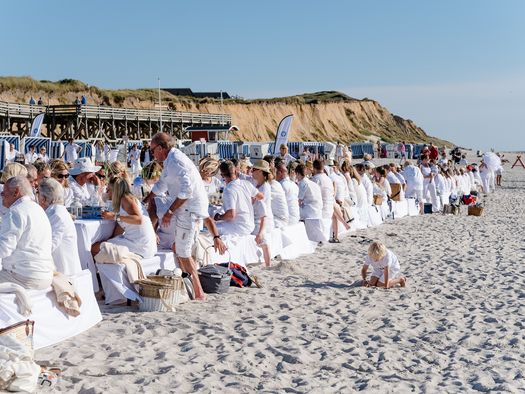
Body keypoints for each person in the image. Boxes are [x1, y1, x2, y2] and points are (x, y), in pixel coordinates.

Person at [143, 132, 213, 301]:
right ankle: (190, 284)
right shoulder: (170, 161)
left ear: (161, 148)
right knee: (179, 248)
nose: (151, 153)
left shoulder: (176, 161)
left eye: (152, 150)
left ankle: (198, 291)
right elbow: (163, 184)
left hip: (189, 209)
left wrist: (169, 212)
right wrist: (148, 198)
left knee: (183, 251)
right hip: (188, 208)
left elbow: (186, 191)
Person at [0, 176, 54, 289]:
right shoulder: (38, 209)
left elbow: (3, 249)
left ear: (16, 192)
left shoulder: (15, 211)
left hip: (23, 277)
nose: (2, 196)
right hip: (45, 276)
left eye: (3, 193)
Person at [93, 176, 157, 259]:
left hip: (140, 245)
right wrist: (110, 240)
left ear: (115, 190)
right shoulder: (123, 200)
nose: (107, 192)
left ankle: (96, 271)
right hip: (144, 244)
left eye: (109, 190)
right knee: (101, 246)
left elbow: (138, 220)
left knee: (94, 248)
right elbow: (121, 227)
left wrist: (113, 216)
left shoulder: (126, 199)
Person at [38, 178, 82, 276]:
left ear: (43, 199)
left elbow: (51, 244)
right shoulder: (56, 211)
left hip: (64, 272)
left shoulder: (57, 215)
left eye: (38, 194)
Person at [214, 160, 263, 236]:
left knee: (210, 228)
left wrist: (219, 217)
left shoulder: (229, 189)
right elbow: (260, 196)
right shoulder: (246, 183)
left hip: (239, 228)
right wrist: (249, 200)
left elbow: (231, 215)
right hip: (250, 224)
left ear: (222, 175)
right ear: (235, 171)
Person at [251, 160, 274, 267]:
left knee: (264, 244)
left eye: (254, 169)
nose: (251, 171)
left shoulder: (264, 187)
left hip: (262, 219)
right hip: (260, 218)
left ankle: (268, 265)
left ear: (260, 172)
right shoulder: (260, 185)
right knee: (264, 243)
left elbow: (262, 208)